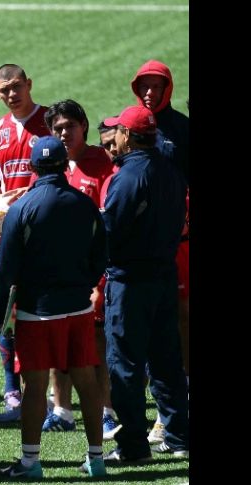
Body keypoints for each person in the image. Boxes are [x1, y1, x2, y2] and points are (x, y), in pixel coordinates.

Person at [0, 136, 107, 479]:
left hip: (37, 311)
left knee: (35, 387)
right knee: (86, 381)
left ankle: (30, 463)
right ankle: (96, 460)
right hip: (77, 308)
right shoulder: (84, 204)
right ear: (62, 164)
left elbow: (5, 268)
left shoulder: (22, 208)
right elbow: (101, 255)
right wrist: (85, 284)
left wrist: (1, 313)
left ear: (32, 167)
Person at [101, 106, 189, 463]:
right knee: (167, 361)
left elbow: (111, 231)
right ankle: (180, 437)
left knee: (125, 367)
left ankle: (134, 446)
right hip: (164, 278)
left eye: (119, 131)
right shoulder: (172, 170)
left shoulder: (128, 177)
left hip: (130, 283)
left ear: (129, 136)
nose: (115, 137)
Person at [37, 100, 118, 439]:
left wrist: (100, 278)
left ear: (84, 125)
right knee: (58, 339)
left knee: (96, 343)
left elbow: (107, 222)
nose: (64, 133)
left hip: (94, 271)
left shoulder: (102, 162)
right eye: (57, 128)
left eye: (70, 126)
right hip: (58, 273)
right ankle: (62, 409)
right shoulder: (52, 166)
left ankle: (107, 411)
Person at [0, 64, 51, 422]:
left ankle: (54, 398)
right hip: (10, 241)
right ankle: (12, 393)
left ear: (29, 84)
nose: (12, 94)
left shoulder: (50, 122)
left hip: (45, 239)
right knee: (6, 316)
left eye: (17, 86)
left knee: (46, 316)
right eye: (5, 90)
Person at [130, 60, 189, 184]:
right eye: (144, 86)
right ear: (137, 88)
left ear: (166, 90)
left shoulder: (183, 127)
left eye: (156, 87)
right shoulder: (125, 125)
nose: (149, 93)